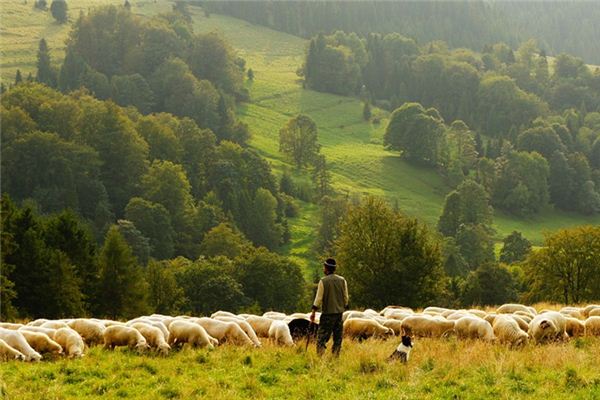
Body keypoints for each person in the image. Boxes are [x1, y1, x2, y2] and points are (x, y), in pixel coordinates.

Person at [310, 258, 349, 356]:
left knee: (321, 338)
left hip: (327, 314)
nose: (323, 269)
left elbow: (318, 299)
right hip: (339, 314)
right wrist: (343, 306)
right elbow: (346, 297)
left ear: (326, 268)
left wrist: (313, 312)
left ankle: (320, 357)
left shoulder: (323, 281)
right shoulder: (342, 280)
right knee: (337, 338)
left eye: (324, 267)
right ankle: (335, 357)